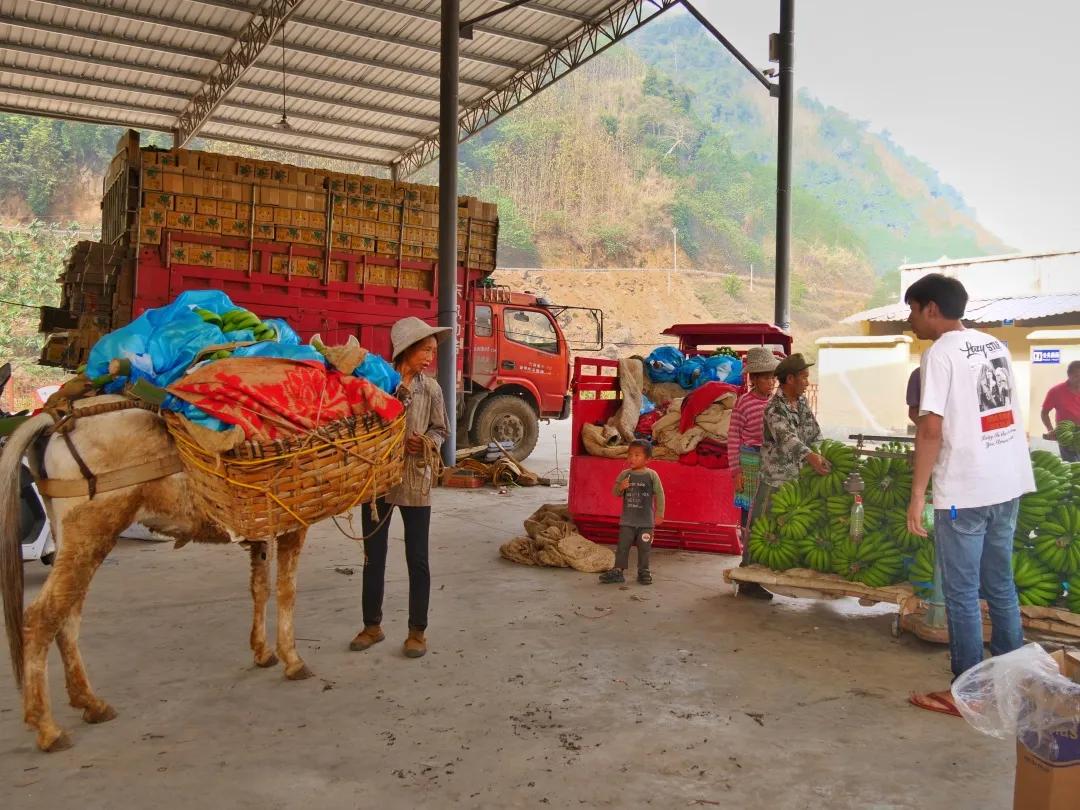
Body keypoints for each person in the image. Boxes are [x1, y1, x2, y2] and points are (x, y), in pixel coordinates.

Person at [904, 274, 1034, 717]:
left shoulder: (938, 355)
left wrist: (918, 493)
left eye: (913, 309)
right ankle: (1010, 683)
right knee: (1000, 585)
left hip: (967, 488)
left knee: (961, 593)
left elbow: (931, 429)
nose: (911, 319)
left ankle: (968, 693)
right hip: (1008, 481)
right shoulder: (994, 345)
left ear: (932, 309)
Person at [349, 317, 450, 659]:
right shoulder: (379, 383)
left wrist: (425, 442)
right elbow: (363, 423)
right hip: (377, 479)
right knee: (372, 557)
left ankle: (417, 631)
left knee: (417, 558)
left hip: (415, 481)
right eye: (425, 349)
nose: (430, 357)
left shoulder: (432, 389)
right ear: (407, 349)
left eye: (433, 351)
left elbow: (441, 430)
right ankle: (372, 626)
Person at [737, 353, 830, 600]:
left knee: (788, 531)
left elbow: (813, 433)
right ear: (790, 379)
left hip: (798, 479)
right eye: (804, 377)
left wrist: (825, 453)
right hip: (775, 478)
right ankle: (746, 579)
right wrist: (811, 457)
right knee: (760, 527)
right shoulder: (774, 408)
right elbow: (787, 439)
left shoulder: (801, 404)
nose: (807, 382)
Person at [599, 439, 666, 585]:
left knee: (644, 548)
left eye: (637, 455)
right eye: (630, 455)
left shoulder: (652, 475)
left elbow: (660, 494)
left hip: (646, 522)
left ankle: (643, 571)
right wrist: (621, 487)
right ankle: (618, 571)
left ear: (648, 459)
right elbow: (615, 492)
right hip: (627, 521)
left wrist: (659, 514)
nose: (632, 458)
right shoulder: (625, 474)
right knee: (623, 546)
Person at [727, 347, 779, 526]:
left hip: (772, 462)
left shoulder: (778, 403)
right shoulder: (743, 403)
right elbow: (733, 438)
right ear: (754, 379)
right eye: (766, 378)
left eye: (773, 377)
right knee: (749, 511)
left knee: (770, 506)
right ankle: (747, 545)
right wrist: (736, 472)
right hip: (750, 462)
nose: (771, 382)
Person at [1041, 360, 1080, 461]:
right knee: (1072, 470)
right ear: (1068, 375)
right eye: (1077, 376)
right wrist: (1050, 430)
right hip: (1066, 438)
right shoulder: (1056, 391)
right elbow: (1044, 413)